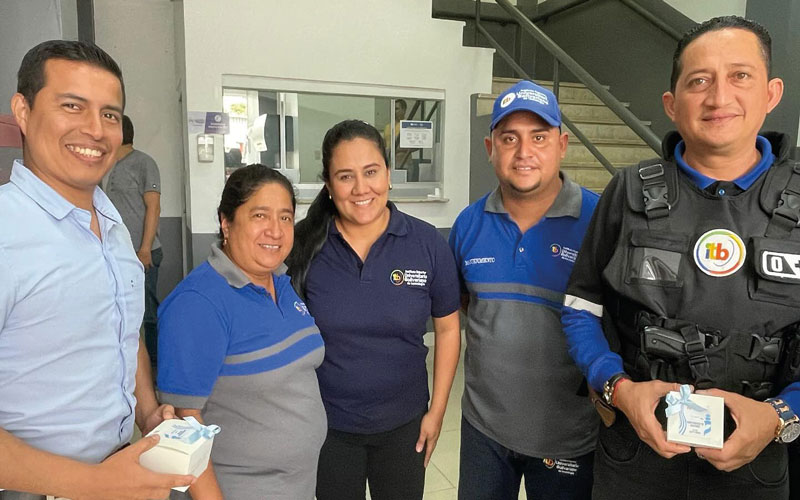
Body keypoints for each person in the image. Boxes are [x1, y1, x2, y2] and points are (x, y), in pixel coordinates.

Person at [561, 16, 800, 500]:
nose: (718, 97)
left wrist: (782, 414)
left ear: (771, 93)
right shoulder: (627, 192)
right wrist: (616, 388)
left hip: (755, 462)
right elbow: (580, 307)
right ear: (671, 104)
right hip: (635, 456)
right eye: (699, 81)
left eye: (740, 76)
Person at [0, 40, 193, 499]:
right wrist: (95, 483)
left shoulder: (111, 223)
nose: (95, 129)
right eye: (72, 106)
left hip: (118, 469)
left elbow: (124, 331)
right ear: (23, 111)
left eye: (109, 114)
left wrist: (147, 413)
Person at [286, 119, 461, 500]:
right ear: (328, 184)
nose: (361, 188)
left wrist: (437, 412)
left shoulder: (427, 244)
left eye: (371, 172)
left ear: (388, 174)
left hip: (405, 425)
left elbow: (448, 329)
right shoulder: (302, 246)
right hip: (327, 427)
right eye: (345, 176)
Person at [449, 80, 599, 500]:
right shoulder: (468, 224)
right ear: (490, 147)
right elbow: (467, 303)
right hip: (484, 430)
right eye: (509, 138)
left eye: (539, 137)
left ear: (562, 145)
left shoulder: (600, 220)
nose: (524, 152)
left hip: (568, 436)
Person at [157, 164, 327, 499]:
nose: (275, 231)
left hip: (295, 486)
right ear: (226, 222)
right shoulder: (198, 302)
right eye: (260, 215)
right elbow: (182, 423)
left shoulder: (282, 283)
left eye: (285, 217)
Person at [105, 115, 163, 368]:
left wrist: (145, 249)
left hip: (143, 253)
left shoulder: (144, 163)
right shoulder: (106, 164)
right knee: (120, 310)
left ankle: (154, 365)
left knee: (146, 311)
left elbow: (154, 207)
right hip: (115, 252)